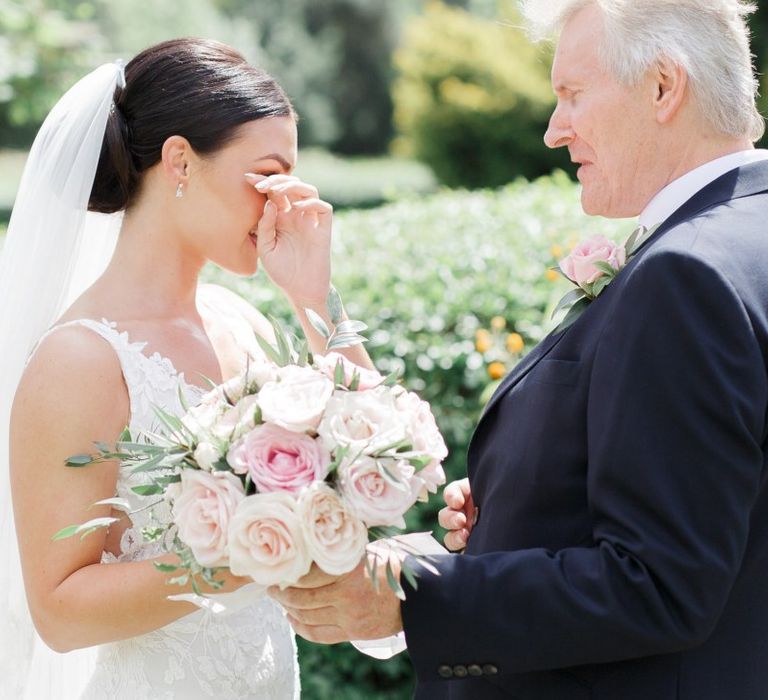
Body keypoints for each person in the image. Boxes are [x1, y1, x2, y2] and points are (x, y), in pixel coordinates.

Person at [269, 1, 768, 698]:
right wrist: (526, 495)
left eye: (572, 95)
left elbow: (659, 584)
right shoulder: (748, 234)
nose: (554, 130)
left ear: (663, 86)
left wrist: (410, 597)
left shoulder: (686, 272)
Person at [0, 38, 372, 699]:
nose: (281, 206)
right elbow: (58, 609)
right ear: (180, 162)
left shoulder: (244, 323)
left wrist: (314, 298)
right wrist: (252, 550)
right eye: (266, 177)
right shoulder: (81, 360)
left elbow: (380, 449)